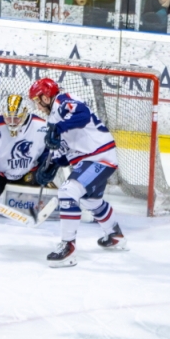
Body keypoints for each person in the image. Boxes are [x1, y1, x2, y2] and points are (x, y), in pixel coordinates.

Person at [28, 78, 125, 268]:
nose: (37, 107)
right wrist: (52, 165)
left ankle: (68, 247)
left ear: (46, 98)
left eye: (37, 101)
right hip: (91, 160)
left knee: (68, 191)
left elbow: (83, 115)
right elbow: (65, 154)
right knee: (91, 201)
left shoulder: (62, 101)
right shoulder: (53, 118)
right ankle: (115, 235)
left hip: (98, 158)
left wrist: (58, 129)